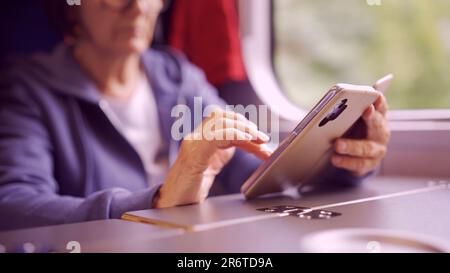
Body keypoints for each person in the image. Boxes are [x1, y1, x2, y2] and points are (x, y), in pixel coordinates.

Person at [0, 0, 390, 231]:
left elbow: (248, 165)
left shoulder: (178, 75)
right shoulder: (28, 86)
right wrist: (155, 201)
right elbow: (13, 205)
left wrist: (341, 158)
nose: (138, 5)